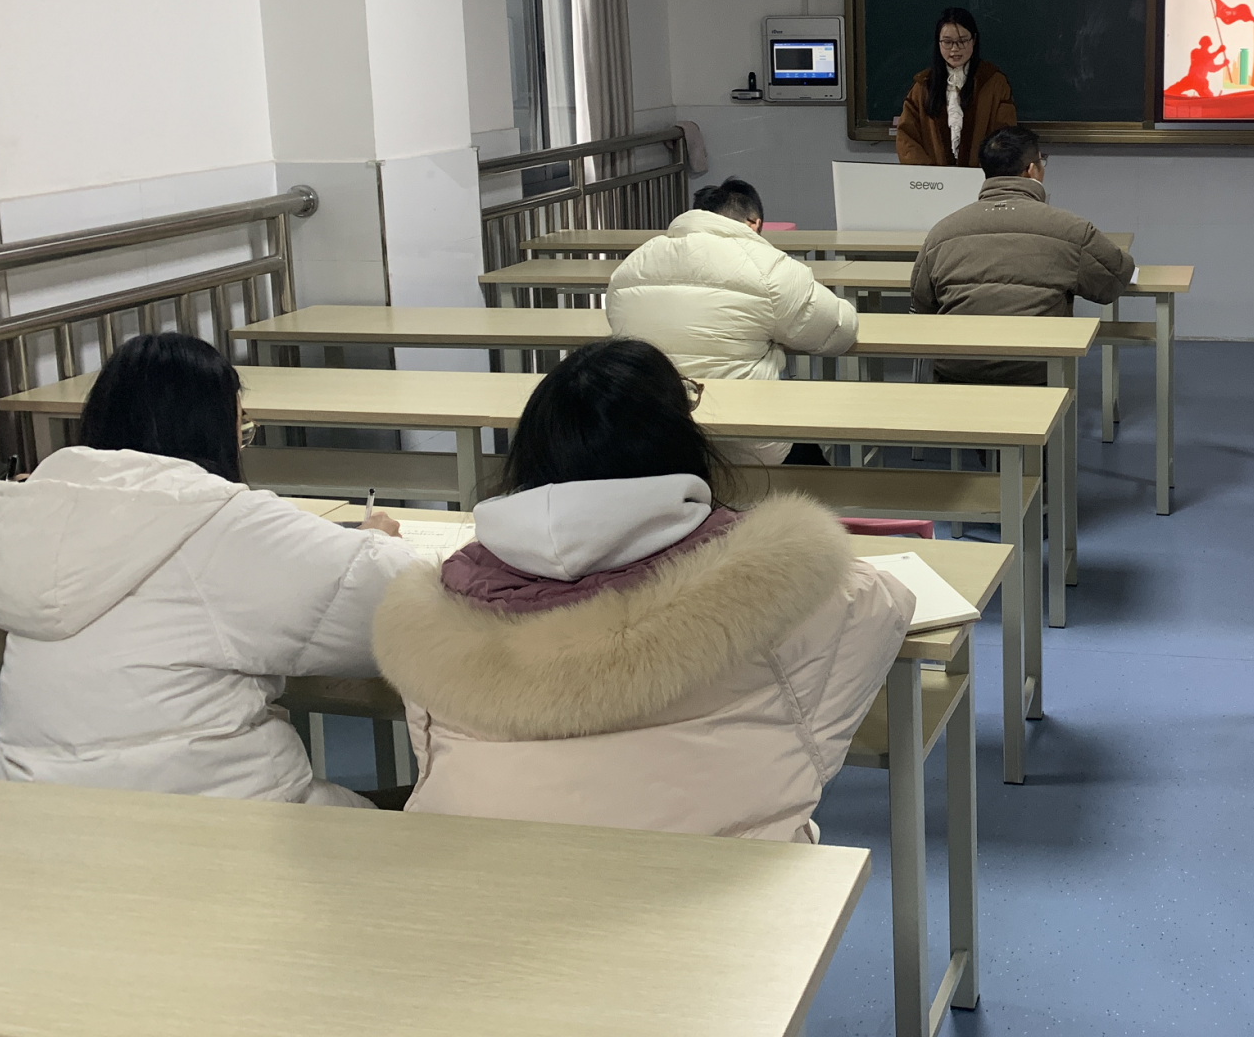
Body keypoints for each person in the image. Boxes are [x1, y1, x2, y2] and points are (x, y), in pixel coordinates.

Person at [372, 338, 913, 840]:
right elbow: (883, 607)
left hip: (480, 889)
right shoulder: (786, 581)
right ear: (679, 439)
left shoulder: (432, 619)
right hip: (717, 893)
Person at [0, 333, 410, 806]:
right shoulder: (220, 522)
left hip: (35, 818)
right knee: (428, 818)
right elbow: (400, 609)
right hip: (209, 821)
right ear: (209, 430)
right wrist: (374, 541)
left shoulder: (33, 513)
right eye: (240, 428)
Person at [608, 175, 856, 466]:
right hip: (745, 447)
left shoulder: (632, 264)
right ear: (754, 224)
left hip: (648, 441)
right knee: (810, 458)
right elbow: (838, 330)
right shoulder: (769, 267)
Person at [911, 125, 1135, 384]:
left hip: (958, 367)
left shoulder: (942, 232)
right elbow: (1115, 279)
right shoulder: (1070, 229)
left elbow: (922, 303)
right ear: (1031, 170)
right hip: (1035, 368)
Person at [894, 7, 1018, 168]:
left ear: (973, 40)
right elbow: (907, 137)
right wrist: (929, 174)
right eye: (947, 42)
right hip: (933, 179)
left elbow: (1005, 134)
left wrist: (986, 170)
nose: (955, 49)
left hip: (981, 176)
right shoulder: (923, 85)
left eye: (962, 41)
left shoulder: (994, 82)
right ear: (938, 42)